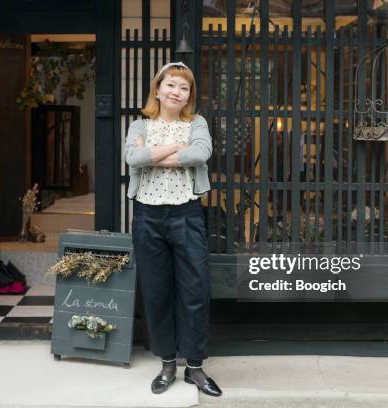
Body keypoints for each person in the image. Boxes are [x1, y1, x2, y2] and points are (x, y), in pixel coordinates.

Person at [125, 61, 222, 397]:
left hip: (187, 214)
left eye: (183, 88)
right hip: (147, 215)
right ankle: (167, 363)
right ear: (158, 89)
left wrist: (151, 154)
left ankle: (194, 366)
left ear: (188, 96)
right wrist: (174, 149)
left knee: (194, 291)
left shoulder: (197, 123)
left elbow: (201, 153)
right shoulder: (139, 124)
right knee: (156, 291)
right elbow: (133, 159)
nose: (176, 92)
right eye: (171, 85)